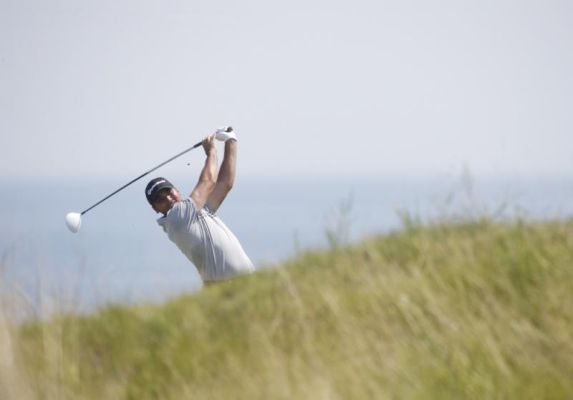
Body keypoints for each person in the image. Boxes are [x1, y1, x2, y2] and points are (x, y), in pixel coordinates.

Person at [144, 129, 254, 286]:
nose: (168, 198)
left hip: (244, 281)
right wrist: (211, 151)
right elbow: (208, 181)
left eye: (169, 191)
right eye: (160, 199)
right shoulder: (177, 218)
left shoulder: (193, 213)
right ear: (155, 209)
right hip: (224, 286)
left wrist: (231, 141)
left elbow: (224, 184)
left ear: (177, 190)